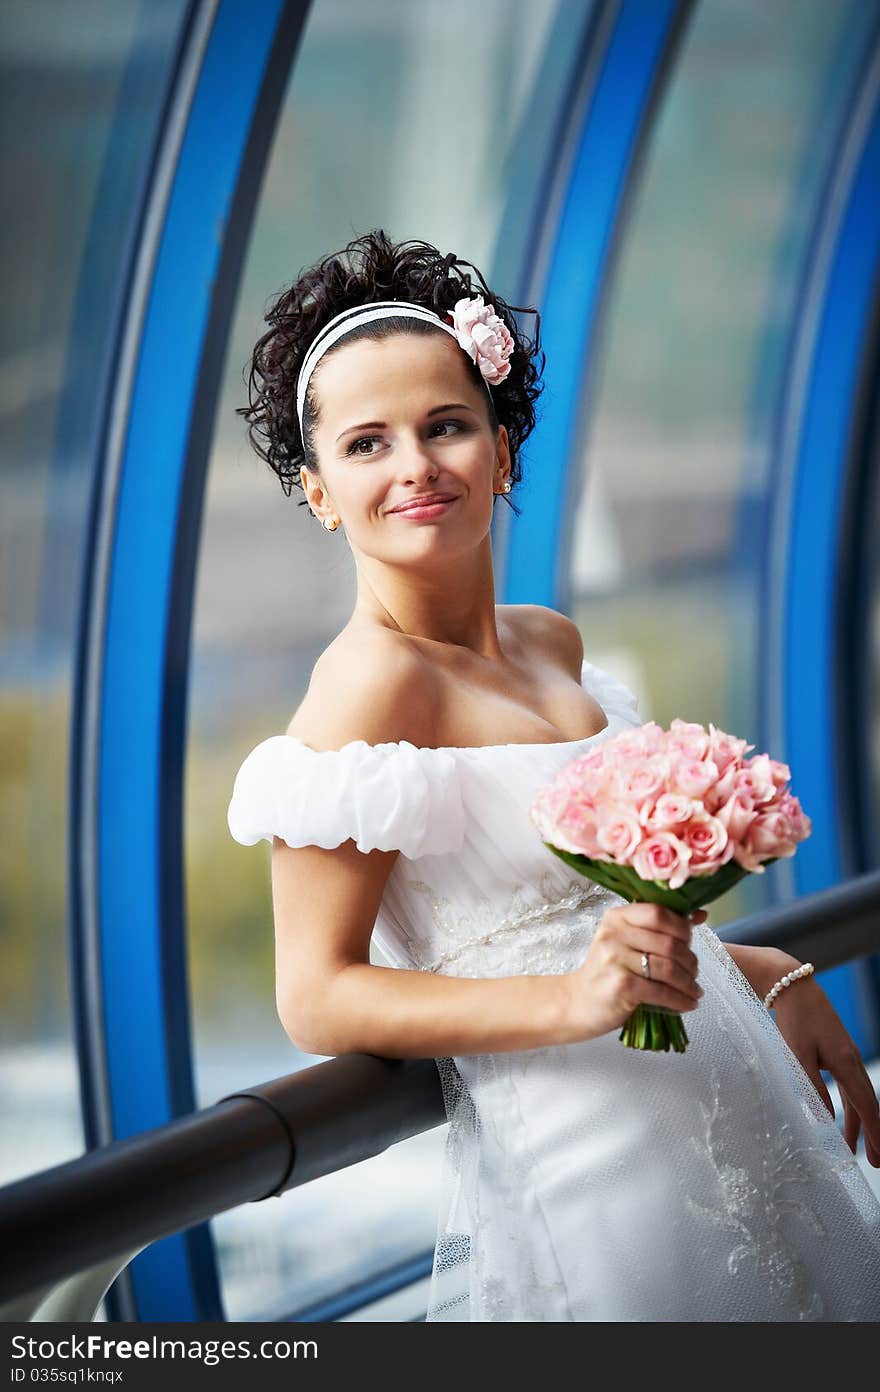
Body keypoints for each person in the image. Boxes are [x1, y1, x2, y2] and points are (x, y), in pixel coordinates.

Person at [227, 229, 880, 1321]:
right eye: (366, 444)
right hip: (596, 1154)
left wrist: (759, 970)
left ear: (503, 448)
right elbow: (315, 995)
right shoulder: (365, 691)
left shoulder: (551, 644)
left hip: (736, 1089)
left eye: (445, 426)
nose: (415, 467)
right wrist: (575, 998)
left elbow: (590, 905)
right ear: (319, 491)